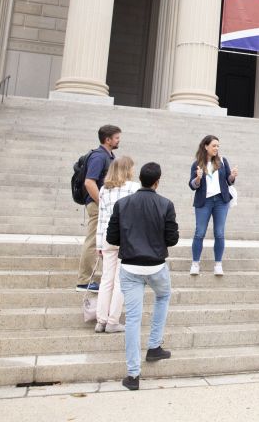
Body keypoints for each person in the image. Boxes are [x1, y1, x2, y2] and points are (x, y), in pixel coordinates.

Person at [105, 162, 179, 391]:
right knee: (163, 296)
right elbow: (172, 239)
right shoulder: (166, 204)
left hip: (130, 266)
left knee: (133, 319)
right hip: (156, 266)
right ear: (157, 181)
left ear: (140, 179)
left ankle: (133, 375)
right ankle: (154, 345)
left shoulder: (122, 204)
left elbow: (112, 237)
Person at [94, 156, 139, 334]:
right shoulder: (134, 188)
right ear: (128, 169)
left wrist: (98, 243)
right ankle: (113, 320)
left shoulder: (104, 189)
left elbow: (101, 218)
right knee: (121, 280)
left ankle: (101, 320)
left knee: (106, 279)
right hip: (127, 237)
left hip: (107, 236)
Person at [76, 124, 121, 292]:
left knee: (102, 240)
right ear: (107, 140)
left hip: (102, 205)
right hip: (97, 205)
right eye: (116, 138)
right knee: (93, 240)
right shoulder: (99, 157)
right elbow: (89, 182)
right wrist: (102, 203)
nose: (119, 140)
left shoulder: (109, 156)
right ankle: (84, 281)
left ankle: (102, 277)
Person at [188, 135, 238, 276]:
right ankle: (195, 263)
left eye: (218, 146)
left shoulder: (222, 161)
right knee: (200, 232)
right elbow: (192, 185)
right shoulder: (197, 163)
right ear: (206, 146)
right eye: (214, 145)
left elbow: (228, 181)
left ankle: (218, 264)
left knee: (219, 233)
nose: (216, 148)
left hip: (221, 201)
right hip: (204, 201)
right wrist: (197, 178)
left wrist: (233, 176)